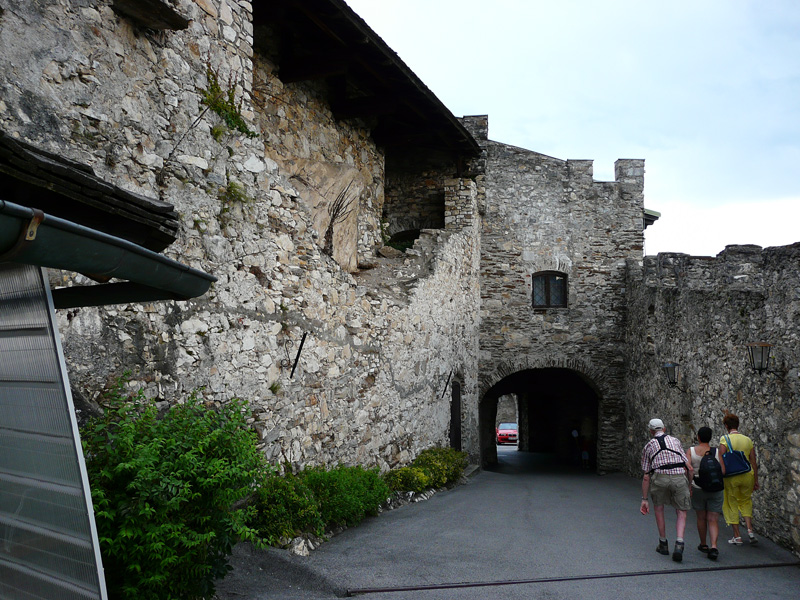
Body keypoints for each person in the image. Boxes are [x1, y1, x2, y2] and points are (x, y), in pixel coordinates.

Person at [640, 418, 693, 562]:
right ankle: (679, 543)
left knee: (659, 508)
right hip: (678, 477)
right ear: (664, 428)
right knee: (681, 511)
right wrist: (688, 486)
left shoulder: (648, 446)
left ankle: (663, 543)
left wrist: (644, 499)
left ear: (651, 431)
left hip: (660, 476)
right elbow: (689, 467)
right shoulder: (675, 441)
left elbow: (646, 475)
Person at [719, 413, 759, 545]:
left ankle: (737, 536)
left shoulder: (725, 439)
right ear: (738, 425)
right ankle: (750, 530)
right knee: (746, 501)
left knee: (731, 503)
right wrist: (756, 480)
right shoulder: (747, 440)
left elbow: (721, 458)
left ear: (726, 426)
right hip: (748, 475)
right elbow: (753, 461)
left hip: (732, 476)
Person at [689, 426, 725, 560]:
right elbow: (723, 471)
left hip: (698, 488)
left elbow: (689, 470)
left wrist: (689, 486)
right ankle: (714, 546)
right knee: (713, 519)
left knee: (701, 517)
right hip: (715, 489)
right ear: (710, 438)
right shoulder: (716, 452)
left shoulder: (691, 451)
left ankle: (703, 544)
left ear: (698, 437)